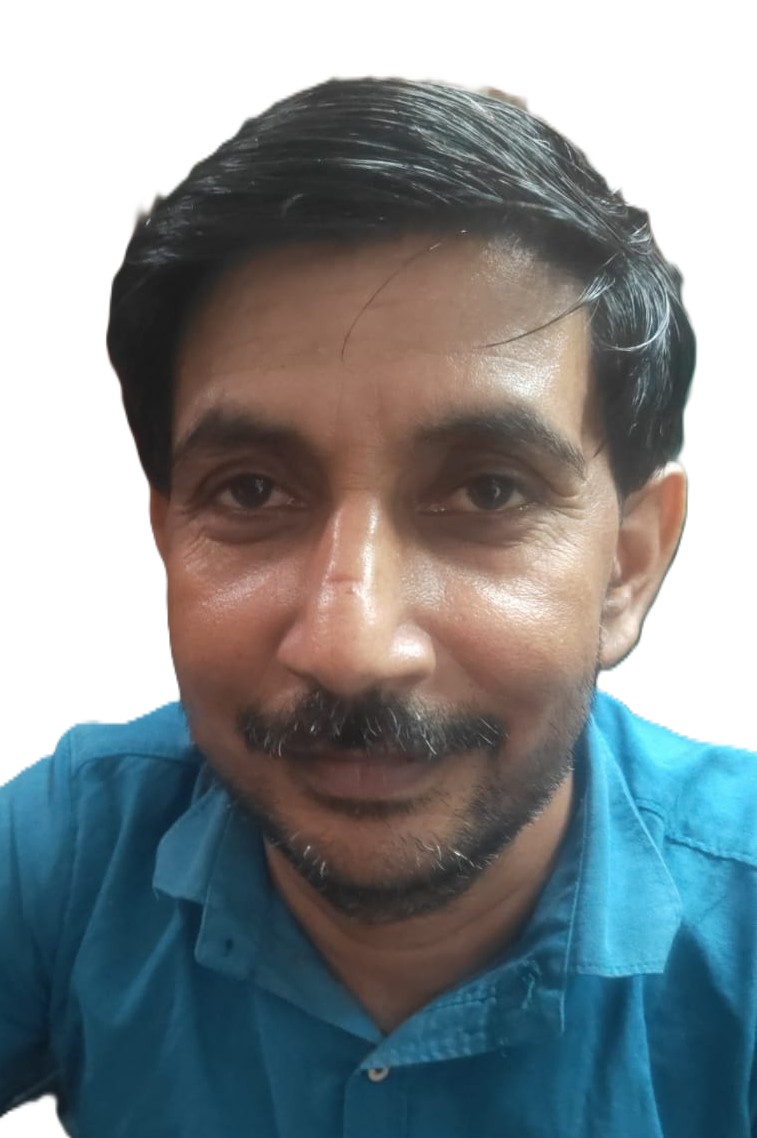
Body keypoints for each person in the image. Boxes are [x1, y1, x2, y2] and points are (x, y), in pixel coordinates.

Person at [1, 77, 755, 1137]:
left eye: (486, 491)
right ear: (170, 536)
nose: (351, 646)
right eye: (251, 492)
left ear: (627, 568)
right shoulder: (73, 849)